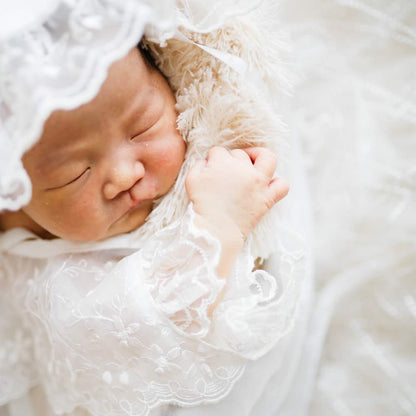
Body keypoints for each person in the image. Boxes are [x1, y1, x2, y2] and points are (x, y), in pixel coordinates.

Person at [0, 2, 312, 415]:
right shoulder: (53, 281)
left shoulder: (211, 133)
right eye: (74, 174)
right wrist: (217, 225)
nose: (125, 174)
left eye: (143, 125)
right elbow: (143, 327)